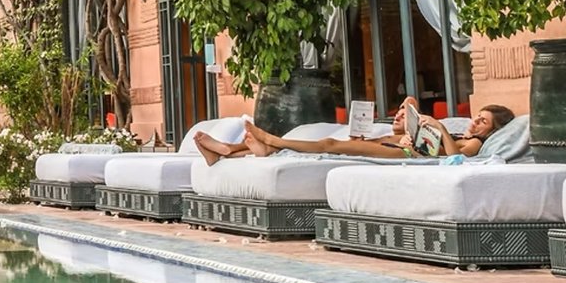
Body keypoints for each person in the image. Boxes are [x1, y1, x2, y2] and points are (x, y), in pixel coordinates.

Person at [194, 97, 515, 166]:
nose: (475, 123)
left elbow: (457, 160)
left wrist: (442, 129)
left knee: (330, 144)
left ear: (492, 131)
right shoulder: (462, 132)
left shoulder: (474, 144)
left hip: (407, 153)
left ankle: (271, 141)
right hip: (402, 144)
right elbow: (410, 102)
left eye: (483, 122)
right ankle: (228, 151)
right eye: (477, 117)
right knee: (327, 142)